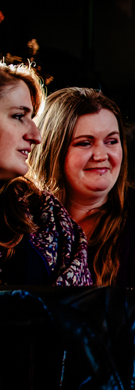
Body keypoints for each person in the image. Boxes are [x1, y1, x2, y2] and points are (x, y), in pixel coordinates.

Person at [27, 87, 135, 289]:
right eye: (85, 143)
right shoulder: (20, 216)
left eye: (111, 141)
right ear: (52, 149)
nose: (102, 155)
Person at [0, 58, 90, 288]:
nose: (35, 136)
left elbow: (78, 312)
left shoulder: (43, 214)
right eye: (19, 116)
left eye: (32, 117)